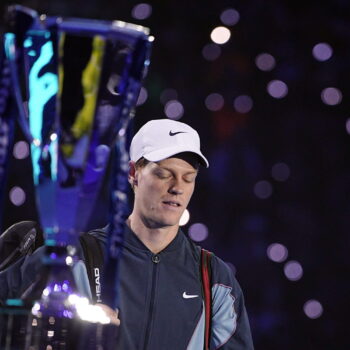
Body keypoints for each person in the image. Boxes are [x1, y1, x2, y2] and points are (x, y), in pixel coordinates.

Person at [0, 119, 254, 349]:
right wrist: (63, 332)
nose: (177, 188)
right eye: (164, 174)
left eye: (188, 178)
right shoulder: (72, 258)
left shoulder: (214, 280)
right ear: (133, 174)